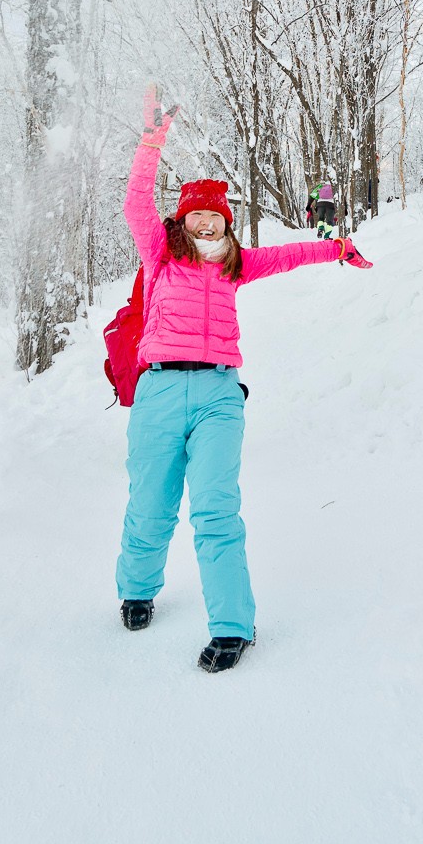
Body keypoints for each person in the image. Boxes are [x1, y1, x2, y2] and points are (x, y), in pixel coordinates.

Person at [118, 87, 372, 673]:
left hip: (217, 396)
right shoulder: (161, 252)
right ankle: (136, 588)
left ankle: (233, 625)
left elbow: (288, 257)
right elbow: (135, 201)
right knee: (151, 503)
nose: (207, 220)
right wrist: (151, 142)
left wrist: (337, 248)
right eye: (197, 213)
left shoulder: (235, 263)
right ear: (183, 218)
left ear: (225, 221)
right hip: (157, 390)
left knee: (214, 509)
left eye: (216, 214)